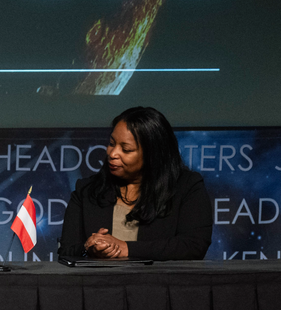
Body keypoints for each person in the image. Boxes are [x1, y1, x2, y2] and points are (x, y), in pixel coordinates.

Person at [59, 107, 213, 260]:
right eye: (111, 143)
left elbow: (194, 245)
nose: (112, 153)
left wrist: (125, 248)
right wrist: (88, 249)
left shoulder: (187, 187)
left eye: (126, 149)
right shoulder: (86, 191)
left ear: (153, 154)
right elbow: (66, 251)